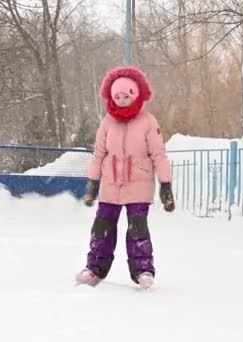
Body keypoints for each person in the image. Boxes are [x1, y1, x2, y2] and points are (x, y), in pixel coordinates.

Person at [75, 66, 175, 289]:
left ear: (135, 94)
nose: (121, 100)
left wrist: (165, 185)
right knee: (102, 228)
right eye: (117, 96)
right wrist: (93, 183)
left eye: (126, 96)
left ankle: (143, 271)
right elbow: (99, 154)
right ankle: (94, 269)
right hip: (110, 186)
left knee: (137, 229)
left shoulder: (148, 121)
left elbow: (158, 154)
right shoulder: (107, 122)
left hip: (138, 186)